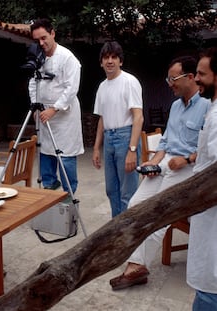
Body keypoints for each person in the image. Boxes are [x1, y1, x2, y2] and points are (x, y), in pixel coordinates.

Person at [109, 55, 210, 290]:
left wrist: (185, 159)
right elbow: (165, 143)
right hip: (166, 166)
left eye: (173, 78)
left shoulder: (208, 107)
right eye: (168, 78)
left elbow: (207, 151)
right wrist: (151, 163)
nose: (169, 83)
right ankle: (136, 261)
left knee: (159, 212)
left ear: (191, 77)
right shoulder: (175, 106)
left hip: (190, 170)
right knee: (135, 204)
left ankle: (136, 267)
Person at [28, 18, 84, 194]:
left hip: (64, 118)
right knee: (46, 157)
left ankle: (69, 202)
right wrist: (36, 106)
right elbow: (32, 82)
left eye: (44, 38)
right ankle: (49, 197)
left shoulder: (68, 58)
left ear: (52, 33)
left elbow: (71, 88)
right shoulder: (39, 56)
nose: (41, 43)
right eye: (37, 40)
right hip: (45, 117)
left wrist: (54, 108)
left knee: (65, 159)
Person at [92, 41, 144, 217]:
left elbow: (138, 116)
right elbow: (102, 119)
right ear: (101, 62)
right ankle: (116, 230)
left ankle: (128, 234)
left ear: (120, 61)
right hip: (109, 139)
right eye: (106, 57)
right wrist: (96, 148)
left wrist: (132, 149)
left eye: (114, 57)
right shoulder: (102, 87)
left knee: (127, 193)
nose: (110, 61)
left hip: (125, 137)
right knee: (111, 190)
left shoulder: (130, 81)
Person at [187, 46, 217, 310]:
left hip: (212, 220)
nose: (196, 79)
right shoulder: (213, 110)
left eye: (201, 74)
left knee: (208, 291)